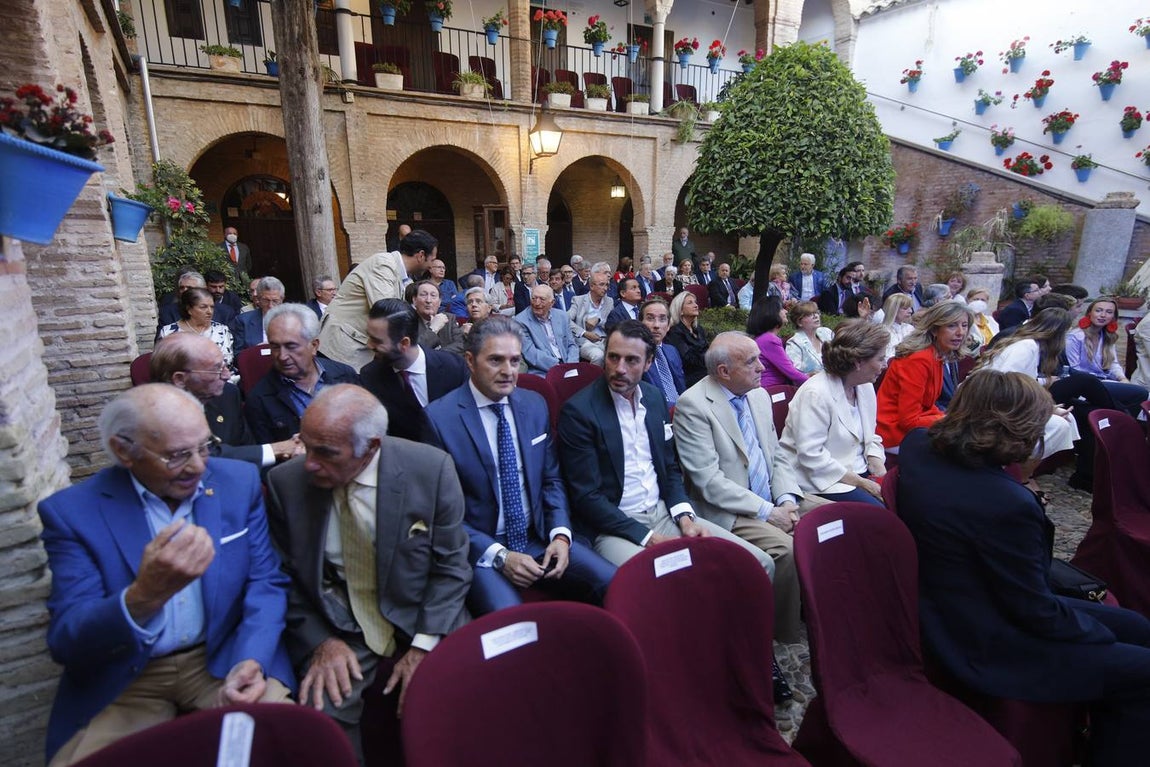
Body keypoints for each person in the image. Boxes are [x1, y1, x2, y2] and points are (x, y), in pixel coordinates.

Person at [898, 370, 1150, 767]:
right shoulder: (1006, 503)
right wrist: (1097, 633)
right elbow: (1036, 612)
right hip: (986, 638)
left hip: (951, 595)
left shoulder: (918, 447)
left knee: (1139, 629)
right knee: (1142, 667)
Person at [39, 385, 294, 766]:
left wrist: (252, 658)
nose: (198, 466)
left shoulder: (237, 484)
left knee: (295, 743)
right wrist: (144, 595)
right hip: (129, 678)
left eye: (204, 446)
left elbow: (266, 583)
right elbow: (67, 639)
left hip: (224, 656)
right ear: (125, 450)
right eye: (177, 456)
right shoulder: (73, 513)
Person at [265, 385, 471, 761]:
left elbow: (451, 567)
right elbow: (283, 579)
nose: (309, 462)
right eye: (305, 445)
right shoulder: (287, 484)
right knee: (322, 720)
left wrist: (424, 645)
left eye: (325, 452)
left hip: (422, 613)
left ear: (371, 447)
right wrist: (320, 642)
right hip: (340, 621)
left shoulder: (430, 469)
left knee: (464, 702)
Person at [426, 316, 616, 614]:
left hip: (538, 535)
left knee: (614, 584)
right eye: (496, 360)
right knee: (512, 624)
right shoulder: (439, 418)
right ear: (470, 361)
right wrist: (500, 555)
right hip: (482, 547)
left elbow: (551, 479)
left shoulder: (534, 404)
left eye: (515, 361)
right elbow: (439, 513)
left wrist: (561, 535)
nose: (508, 371)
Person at [673, 331, 807, 644]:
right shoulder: (693, 405)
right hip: (730, 507)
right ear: (724, 372)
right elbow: (709, 483)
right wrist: (769, 512)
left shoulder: (758, 394)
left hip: (772, 494)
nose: (762, 367)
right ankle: (781, 636)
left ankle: (818, 605)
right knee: (785, 550)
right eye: (752, 362)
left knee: (828, 517)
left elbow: (777, 456)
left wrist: (786, 500)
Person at [150, 333, 302, 469]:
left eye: (225, 366)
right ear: (180, 379)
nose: (227, 375)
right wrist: (280, 449)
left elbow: (246, 446)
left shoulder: (228, 395)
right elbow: (204, 458)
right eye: (216, 369)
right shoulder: (154, 414)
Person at [780, 319, 889, 507]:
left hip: (858, 472)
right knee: (878, 512)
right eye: (880, 359)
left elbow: (871, 437)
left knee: (905, 498)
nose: (885, 365)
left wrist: (877, 464)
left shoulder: (865, 387)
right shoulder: (816, 393)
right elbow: (811, 456)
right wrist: (861, 482)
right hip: (822, 479)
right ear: (858, 362)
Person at [975, 308, 1081, 495]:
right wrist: (1044, 410)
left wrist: (1047, 407)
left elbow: (1024, 382)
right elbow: (1005, 385)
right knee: (1059, 425)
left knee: (1066, 420)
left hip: (1007, 402)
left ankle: (1026, 474)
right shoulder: (1026, 347)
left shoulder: (1032, 346)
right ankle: (1021, 478)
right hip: (991, 405)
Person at [318, 230, 438, 370]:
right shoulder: (383, 264)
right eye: (432, 260)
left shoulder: (400, 274)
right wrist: (431, 330)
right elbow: (388, 313)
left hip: (354, 349)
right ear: (421, 255)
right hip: (340, 349)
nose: (431, 266)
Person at [245, 304, 361, 443]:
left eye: (291, 346)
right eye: (275, 347)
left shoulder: (345, 376)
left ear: (314, 346)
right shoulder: (259, 399)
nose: (282, 356)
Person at [359, 299, 467, 444]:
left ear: (404, 343)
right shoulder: (370, 377)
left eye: (377, 340)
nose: (369, 345)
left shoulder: (454, 368)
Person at [876, 300, 974, 453]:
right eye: (952, 325)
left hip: (914, 428)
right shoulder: (919, 359)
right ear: (935, 330)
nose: (960, 332)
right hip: (893, 434)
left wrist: (946, 416)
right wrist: (948, 420)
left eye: (964, 325)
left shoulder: (937, 354)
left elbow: (927, 405)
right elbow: (909, 421)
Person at [1065, 297, 1149, 415]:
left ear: (1113, 317)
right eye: (1098, 310)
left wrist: (1122, 379)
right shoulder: (1075, 336)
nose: (1103, 315)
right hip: (1085, 383)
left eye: (1109, 312)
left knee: (1134, 393)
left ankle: (1125, 424)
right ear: (1090, 313)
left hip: (1103, 380)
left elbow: (1113, 363)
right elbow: (1073, 369)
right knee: (1139, 393)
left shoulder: (1107, 336)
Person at [158, 286, 236, 368]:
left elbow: (228, 360)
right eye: (203, 307)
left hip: (217, 377)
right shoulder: (168, 332)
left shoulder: (222, 330)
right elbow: (164, 363)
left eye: (212, 307)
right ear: (189, 309)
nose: (209, 311)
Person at [515, 284, 580, 375]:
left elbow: (572, 344)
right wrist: (558, 367)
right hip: (542, 370)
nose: (537, 303)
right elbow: (531, 353)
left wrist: (570, 365)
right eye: (534, 298)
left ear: (552, 303)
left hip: (567, 364)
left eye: (542, 299)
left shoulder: (562, 316)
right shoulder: (520, 321)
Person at [748, 295, 808, 388]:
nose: (786, 311)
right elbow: (791, 373)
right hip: (774, 391)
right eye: (782, 309)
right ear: (772, 313)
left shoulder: (763, 338)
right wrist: (815, 383)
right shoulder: (769, 340)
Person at [638, 297, 686, 408]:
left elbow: (681, 386)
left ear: (668, 325)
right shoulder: (634, 355)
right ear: (640, 323)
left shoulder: (672, 351)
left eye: (662, 319)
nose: (656, 325)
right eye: (650, 319)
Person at [567, 264, 614, 364]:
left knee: (617, 354)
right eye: (601, 285)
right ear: (591, 286)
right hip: (585, 341)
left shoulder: (609, 301)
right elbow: (565, 320)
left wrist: (599, 319)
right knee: (598, 356)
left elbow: (612, 322)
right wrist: (585, 333)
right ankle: (595, 379)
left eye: (607, 285)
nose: (605, 288)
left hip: (605, 340)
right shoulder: (578, 300)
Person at [665, 290, 710, 388]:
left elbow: (707, 349)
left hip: (706, 371)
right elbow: (688, 359)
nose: (696, 305)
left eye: (695, 302)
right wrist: (709, 356)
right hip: (691, 378)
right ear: (680, 310)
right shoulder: (674, 332)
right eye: (690, 303)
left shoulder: (698, 329)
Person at [409, 279, 464, 354]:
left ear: (439, 302)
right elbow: (413, 351)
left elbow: (461, 345)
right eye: (423, 295)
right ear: (414, 300)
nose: (428, 300)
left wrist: (436, 355)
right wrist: (433, 329)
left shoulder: (449, 319)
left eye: (433, 296)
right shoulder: (408, 322)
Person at [231, 276, 285, 354]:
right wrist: (255, 352)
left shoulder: (293, 320)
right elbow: (238, 355)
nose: (270, 305)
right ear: (258, 299)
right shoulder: (244, 321)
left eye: (275, 301)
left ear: (282, 300)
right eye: (266, 300)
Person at [785, 301, 833, 375]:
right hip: (813, 383)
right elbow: (796, 373)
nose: (816, 316)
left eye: (816, 312)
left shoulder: (826, 332)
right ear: (799, 322)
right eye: (809, 314)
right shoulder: (794, 343)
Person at [880, 293, 915, 360]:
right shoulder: (882, 331)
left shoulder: (910, 329)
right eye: (905, 308)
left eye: (910, 308)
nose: (910, 311)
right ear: (893, 310)